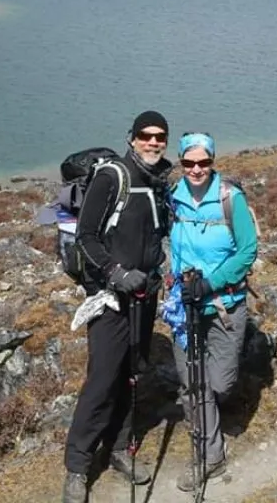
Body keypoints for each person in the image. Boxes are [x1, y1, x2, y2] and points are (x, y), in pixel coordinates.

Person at [63, 110, 173, 503]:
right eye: (146, 135)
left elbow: (160, 235)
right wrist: (115, 272)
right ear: (132, 138)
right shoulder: (114, 177)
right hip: (111, 298)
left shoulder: (159, 183)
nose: (153, 142)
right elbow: (86, 237)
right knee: (103, 378)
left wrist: (162, 271)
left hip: (145, 295)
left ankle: (120, 448)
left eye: (160, 136)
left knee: (132, 373)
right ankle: (77, 467)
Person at [165, 132, 258, 492]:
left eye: (203, 162)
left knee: (220, 382)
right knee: (192, 384)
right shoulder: (172, 199)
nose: (196, 169)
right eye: (189, 163)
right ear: (181, 163)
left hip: (224, 306)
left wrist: (211, 282)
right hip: (183, 307)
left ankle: (212, 421)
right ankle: (210, 456)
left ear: (213, 162)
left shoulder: (229, 199)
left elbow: (247, 251)